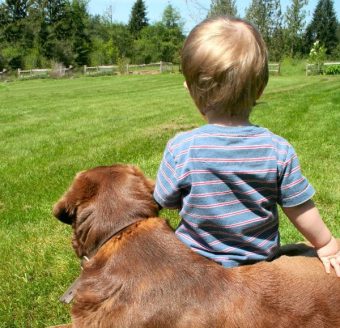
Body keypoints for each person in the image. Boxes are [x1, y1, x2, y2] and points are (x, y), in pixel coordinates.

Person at [153, 16, 340, 276]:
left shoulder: (181, 149)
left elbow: (165, 200)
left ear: (191, 90)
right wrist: (327, 244)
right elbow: (299, 206)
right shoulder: (278, 150)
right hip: (258, 270)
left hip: (195, 271)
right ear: (261, 89)